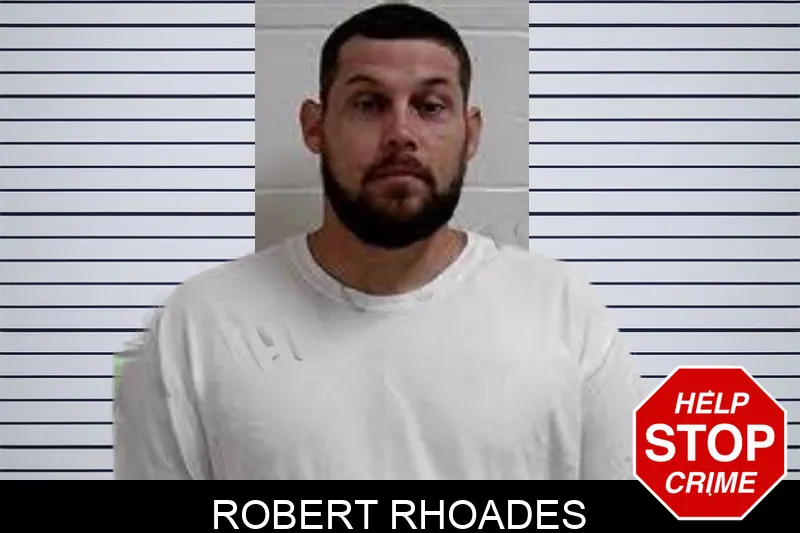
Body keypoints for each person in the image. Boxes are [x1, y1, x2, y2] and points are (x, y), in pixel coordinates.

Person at [113, 2, 644, 480]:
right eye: (368, 103)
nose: (400, 134)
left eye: (430, 106)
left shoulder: (563, 312)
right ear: (315, 126)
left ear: (471, 132)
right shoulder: (198, 324)